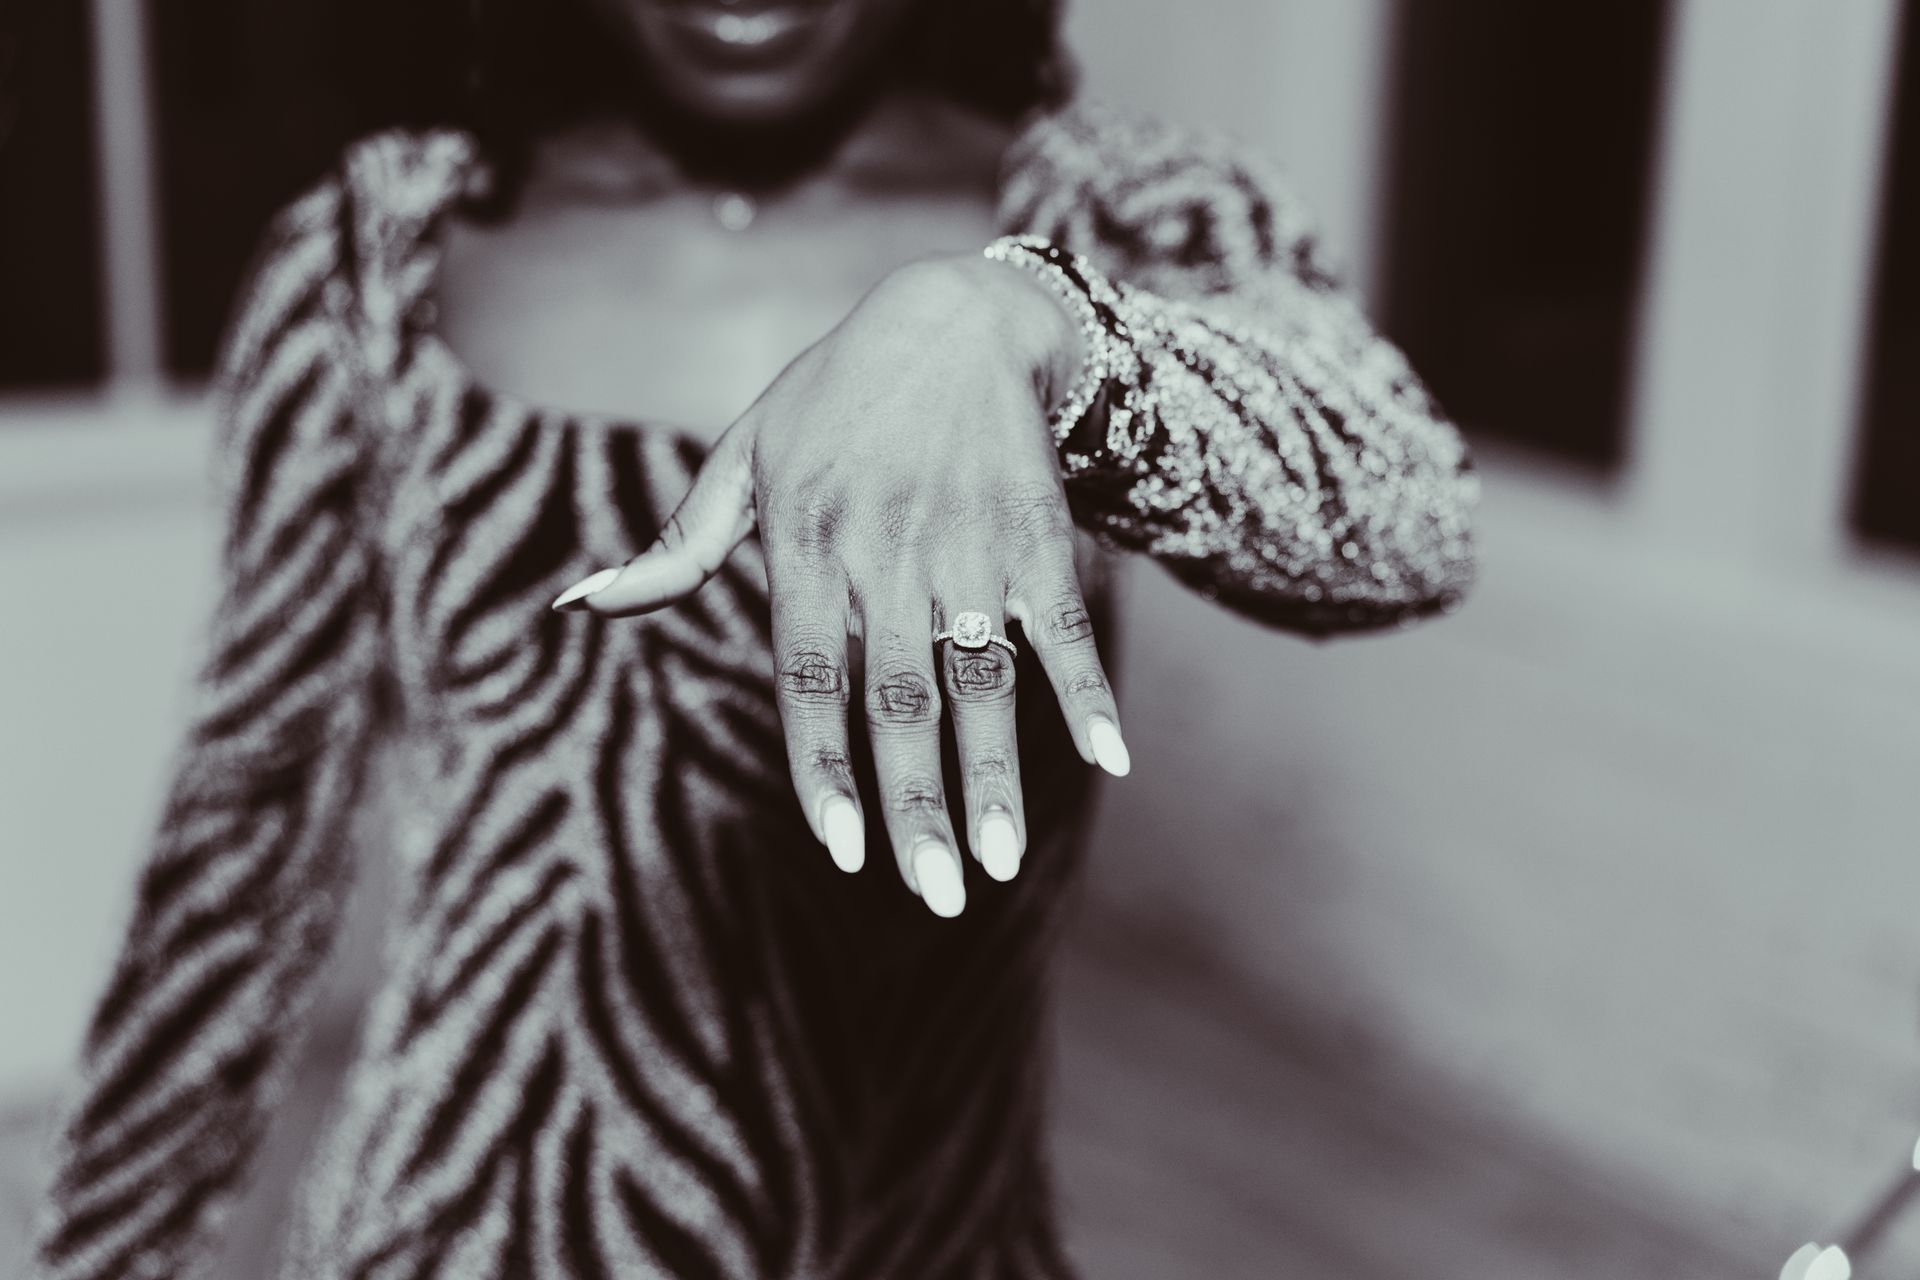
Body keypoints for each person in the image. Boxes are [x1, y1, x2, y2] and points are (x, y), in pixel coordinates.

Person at [37, 0, 1476, 1275]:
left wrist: (1034, 332)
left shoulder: (1120, 218)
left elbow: (1408, 513)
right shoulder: (379, 252)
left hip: (917, 1238)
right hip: (452, 1234)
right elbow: (232, 856)